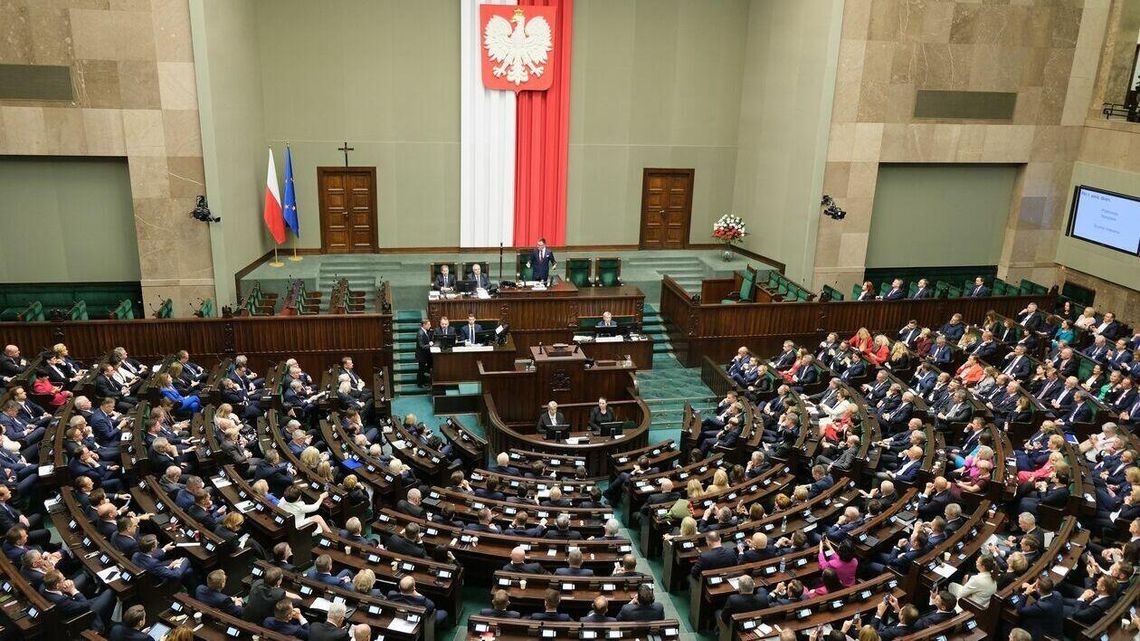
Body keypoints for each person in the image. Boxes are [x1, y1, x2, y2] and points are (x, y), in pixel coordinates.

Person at [415, 319, 433, 387]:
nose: (430, 326)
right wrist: (430, 344)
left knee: (423, 369)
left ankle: (423, 382)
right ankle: (419, 384)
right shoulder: (420, 333)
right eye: (428, 324)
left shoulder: (425, 331)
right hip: (421, 355)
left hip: (425, 355)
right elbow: (421, 346)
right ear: (424, 325)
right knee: (421, 370)